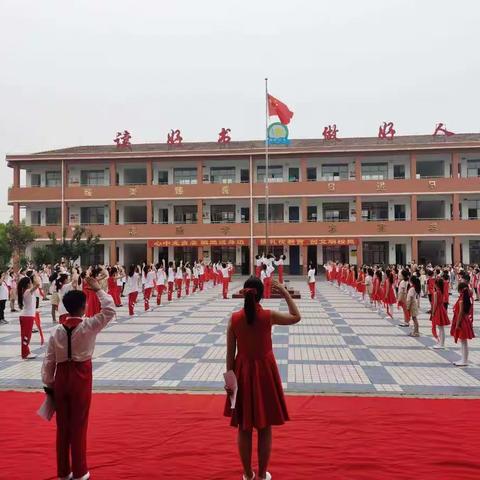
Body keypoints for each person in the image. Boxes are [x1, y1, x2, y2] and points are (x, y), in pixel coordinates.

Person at [224, 277, 301, 480]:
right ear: (261, 294)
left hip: (241, 373)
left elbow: (229, 356)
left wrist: (229, 385)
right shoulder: (268, 316)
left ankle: (248, 474)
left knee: (244, 426)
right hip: (265, 373)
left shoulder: (234, 319)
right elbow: (296, 316)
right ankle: (261, 475)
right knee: (265, 427)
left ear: (244, 293)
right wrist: (283, 292)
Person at [41, 276, 115, 480]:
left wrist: (49, 384)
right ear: (84, 308)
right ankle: (80, 471)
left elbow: (49, 360)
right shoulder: (88, 326)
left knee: (63, 426)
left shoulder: (56, 330)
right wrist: (99, 290)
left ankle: (63, 471)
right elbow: (109, 311)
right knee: (79, 424)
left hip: (61, 377)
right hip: (81, 376)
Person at [450, 281, 475, 366]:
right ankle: (464, 359)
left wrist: (457, 324)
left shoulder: (462, 299)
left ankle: (464, 360)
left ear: (460, 289)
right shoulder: (467, 297)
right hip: (465, 320)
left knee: (463, 341)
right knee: (464, 341)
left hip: (462, 321)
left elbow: (460, 312)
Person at [17, 274, 41, 359]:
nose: (31, 283)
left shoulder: (27, 291)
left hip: (27, 315)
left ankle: (26, 351)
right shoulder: (27, 291)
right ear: (28, 284)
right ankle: (25, 353)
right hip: (27, 317)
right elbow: (38, 285)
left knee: (26, 335)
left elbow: (31, 304)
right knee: (26, 336)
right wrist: (35, 276)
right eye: (30, 282)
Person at [431, 277, 450, 349]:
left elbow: (435, 303)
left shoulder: (436, 292)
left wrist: (433, 312)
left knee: (440, 327)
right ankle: (441, 343)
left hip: (438, 309)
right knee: (441, 328)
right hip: (441, 308)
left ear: (436, 284)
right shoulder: (441, 291)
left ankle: (441, 344)